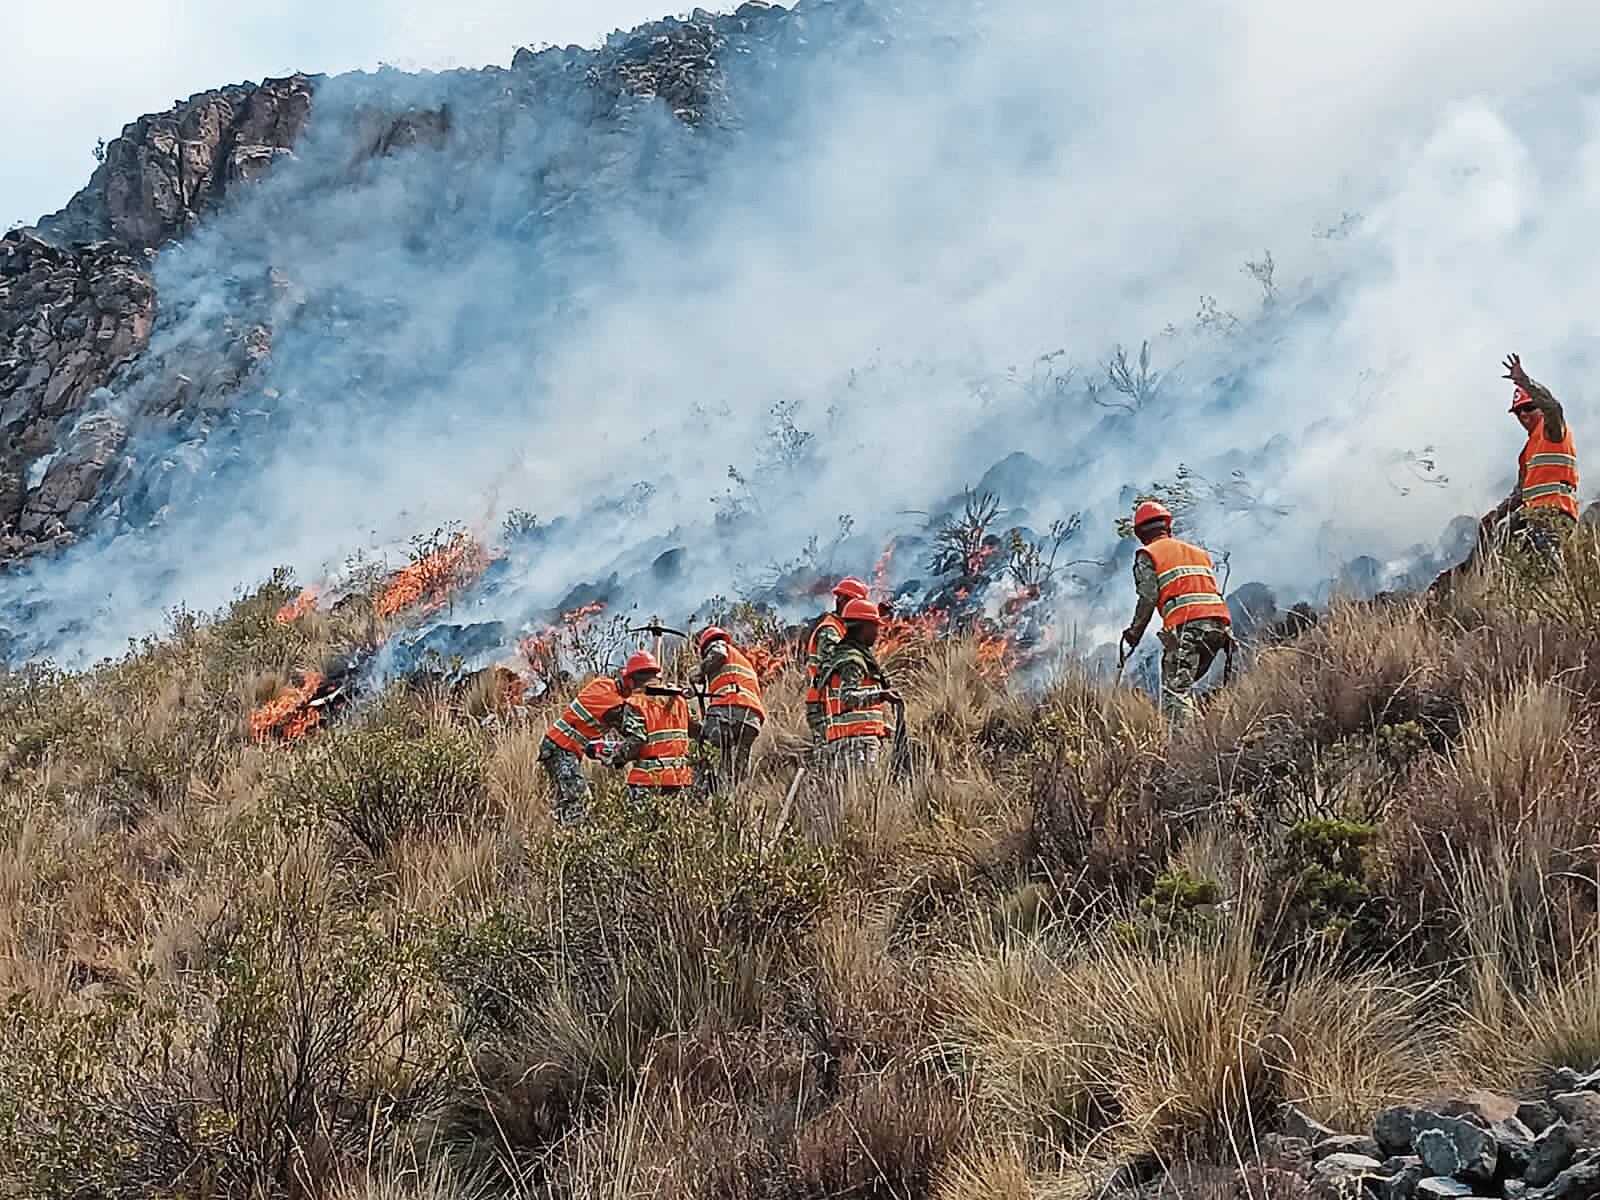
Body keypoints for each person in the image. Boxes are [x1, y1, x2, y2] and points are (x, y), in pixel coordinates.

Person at [1120, 500, 1233, 722]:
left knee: (1175, 692)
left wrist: (1134, 633)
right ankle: (1211, 728)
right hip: (1220, 628)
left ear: (1140, 533)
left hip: (1189, 628)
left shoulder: (1148, 554)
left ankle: (1186, 740)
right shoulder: (1198, 552)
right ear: (1167, 526)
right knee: (1188, 683)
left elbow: (1148, 597)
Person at [1481, 352, 1579, 567]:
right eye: (1518, 412)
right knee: (1504, 535)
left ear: (1540, 408)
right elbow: (1520, 493)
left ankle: (1558, 581)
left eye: (1528, 408)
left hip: (1556, 513)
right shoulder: (1528, 451)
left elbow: (1553, 407)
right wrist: (1494, 516)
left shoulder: (1553, 431)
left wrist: (1524, 381)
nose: (1523, 415)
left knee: (1546, 558)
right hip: (1532, 515)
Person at [538, 660, 634, 824]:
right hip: (562, 748)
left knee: (566, 801)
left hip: (557, 745)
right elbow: (632, 732)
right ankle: (572, 835)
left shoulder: (603, 683)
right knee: (580, 801)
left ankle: (560, 831)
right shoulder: (613, 703)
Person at [818, 598, 902, 771]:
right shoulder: (852, 661)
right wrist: (882, 695)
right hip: (857, 744)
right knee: (864, 787)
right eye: (875, 627)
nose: (877, 633)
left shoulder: (847, 655)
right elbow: (848, 698)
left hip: (850, 741)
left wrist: (882, 728)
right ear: (864, 627)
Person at [607, 650, 698, 809]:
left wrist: (617, 757)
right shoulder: (678, 699)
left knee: (642, 823)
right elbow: (695, 730)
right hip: (680, 778)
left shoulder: (636, 703)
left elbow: (637, 740)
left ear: (631, 681)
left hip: (648, 780)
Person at [690, 626, 766, 789]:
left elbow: (719, 654)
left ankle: (698, 794)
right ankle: (731, 795)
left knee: (703, 749)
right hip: (752, 719)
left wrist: (700, 671)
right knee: (734, 769)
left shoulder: (718, 645)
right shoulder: (742, 660)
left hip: (728, 709)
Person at [805, 577, 871, 747]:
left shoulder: (841, 628)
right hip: (822, 701)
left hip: (831, 699)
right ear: (843, 601)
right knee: (827, 751)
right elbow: (834, 664)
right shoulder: (830, 629)